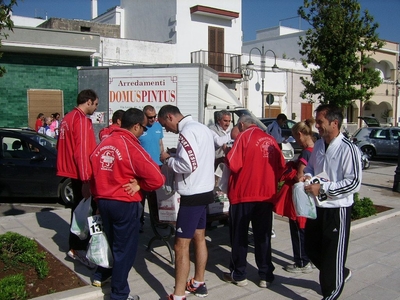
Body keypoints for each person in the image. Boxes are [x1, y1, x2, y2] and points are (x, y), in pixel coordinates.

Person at [90, 108, 165, 300]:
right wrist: (140, 184)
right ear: (136, 126)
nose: (144, 132)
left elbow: (93, 172)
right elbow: (157, 178)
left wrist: (98, 198)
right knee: (125, 250)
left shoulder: (104, 142)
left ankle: (103, 275)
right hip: (123, 203)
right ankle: (120, 294)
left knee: (112, 243)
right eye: (143, 127)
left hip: (104, 201)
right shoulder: (132, 146)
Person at [300, 104, 362, 300]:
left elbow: (353, 182)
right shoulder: (318, 145)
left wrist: (324, 189)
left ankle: (331, 293)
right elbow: (311, 167)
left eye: (320, 122)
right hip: (317, 207)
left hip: (337, 209)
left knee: (332, 254)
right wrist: (308, 176)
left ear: (334, 123)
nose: (316, 125)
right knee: (311, 247)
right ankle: (339, 273)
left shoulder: (348, 149)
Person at [158, 105, 215, 300]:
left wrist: (168, 159)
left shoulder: (187, 132)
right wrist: (176, 155)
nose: (167, 129)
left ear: (170, 116)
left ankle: (179, 294)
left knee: (180, 245)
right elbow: (198, 158)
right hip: (205, 190)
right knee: (199, 237)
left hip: (192, 194)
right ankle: (199, 282)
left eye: (165, 125)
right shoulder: (202, 128)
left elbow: (187, 165)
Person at [223, 115, 285, 288]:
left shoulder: (244, 136)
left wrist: (227, 151)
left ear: (242, 125)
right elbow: (281, 167)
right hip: (266, 195)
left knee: (239, 236)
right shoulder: (270, 139)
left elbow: (233, 164)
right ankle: (266, 275)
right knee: (263, 236)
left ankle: (239, 274)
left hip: (244, 194)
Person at [56, 89, 99, 268]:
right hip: (82, 173)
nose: (96, 108)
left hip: (72, 171)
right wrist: (86, 180)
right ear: (88, 101)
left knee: (79, 210)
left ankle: (77, 246)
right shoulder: (81, 120)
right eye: (96, 104)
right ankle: (77, 249)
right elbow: (81, 152)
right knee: (84, 213)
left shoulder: (67, 118)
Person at [274, 118, 316, 274]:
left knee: (298, 229)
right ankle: (309, 259)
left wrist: (291, 169)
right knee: (307, 229)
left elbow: (300, 176)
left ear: (300, 134)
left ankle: (301, 262)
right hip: (311, 195)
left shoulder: (305, 152)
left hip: (300, 195)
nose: (296, 142)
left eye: (296, 138)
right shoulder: (316, 148)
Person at [138, 105, 164, 232]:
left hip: (157, 166)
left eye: (155, 116)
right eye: (150, 117)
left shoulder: (158, 126)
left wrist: (163, 157)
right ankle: (139, 222)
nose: (153, 119)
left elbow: (160, 143)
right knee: (141, 197)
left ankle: (157, 221)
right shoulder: (139, 129)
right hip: (143, 168)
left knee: (155, 196)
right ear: (144, 116)